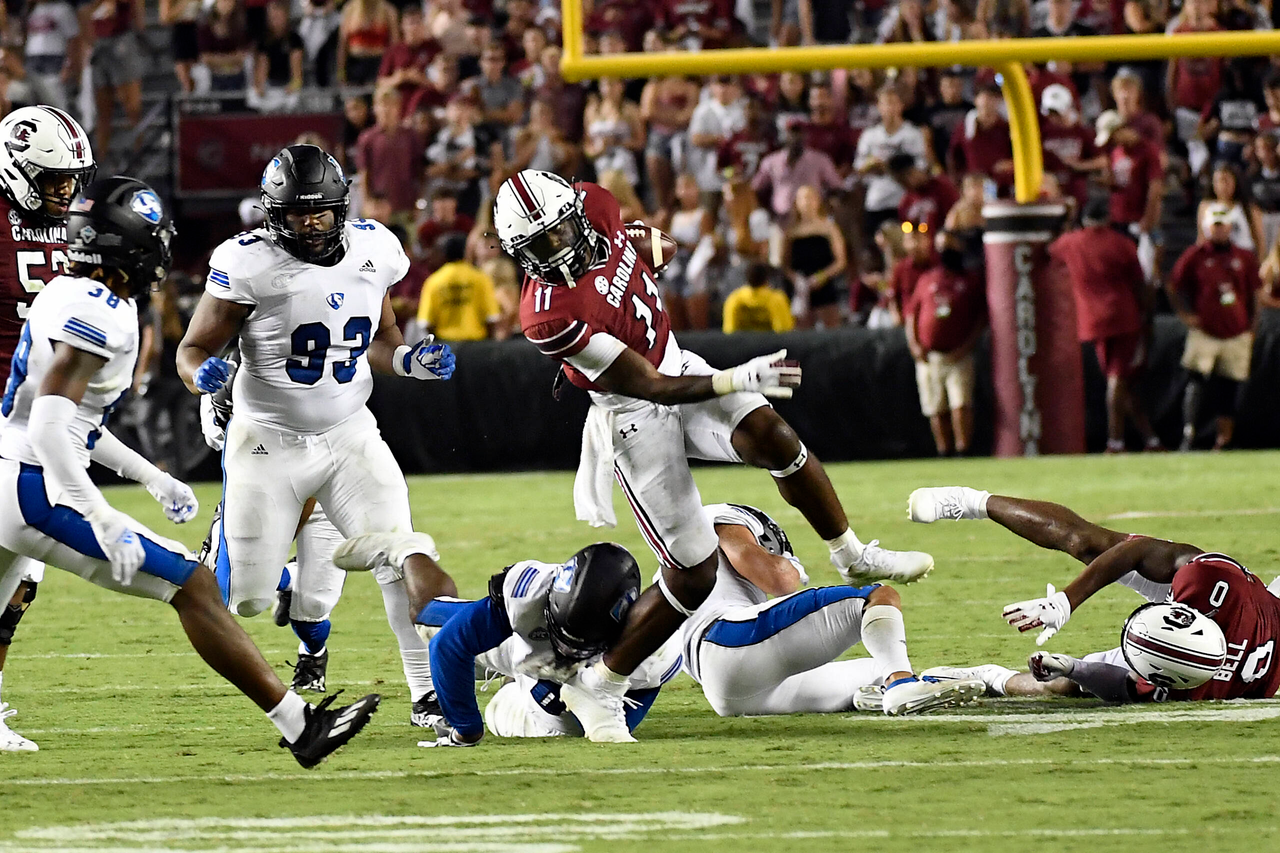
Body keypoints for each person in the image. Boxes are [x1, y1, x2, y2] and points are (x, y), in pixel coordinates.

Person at [479, 169, 933, 742]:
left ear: (576, 211)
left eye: (560, 232)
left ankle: (852, 555)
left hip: (675, 359)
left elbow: (649, 247)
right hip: (634, 413)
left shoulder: (598, 204)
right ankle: (603, 682)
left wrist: (648, 249)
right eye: (539, 246)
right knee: (694, 573)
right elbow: (650, 387)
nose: (557, 250)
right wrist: (735, 377)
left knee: (772, 435)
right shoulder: (548, 314)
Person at [0, 176, 380, 764]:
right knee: (192, 583)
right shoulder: (103, 313)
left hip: (11, 467)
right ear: (127, 248)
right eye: (152, 240)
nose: (160, 252)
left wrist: (152, 477)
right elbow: (50, 428)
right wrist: (100, 515)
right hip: (28, 486)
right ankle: (300, 726)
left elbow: (70, 425)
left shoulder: (63, 291)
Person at [175, 145, 459, 723]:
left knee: (399, 555)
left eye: (320, 212)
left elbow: (381, 337)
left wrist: (408, 361)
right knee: (246, 600)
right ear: (274, 214)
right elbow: (192, 348)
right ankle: (237, 544)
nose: (310, 224)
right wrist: (203, 376)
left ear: (340, 208)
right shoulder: (248, 262)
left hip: (350, 433)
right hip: (267, 440)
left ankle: (428, 693)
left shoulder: (375, 250)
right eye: (297, 214)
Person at [909, 486, 1280, 704]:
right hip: (1249, 608)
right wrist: (1065, 601)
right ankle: (970, 501)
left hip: (1216, 649)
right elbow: (1136, 551)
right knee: (1087, 543)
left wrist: (1074, 668)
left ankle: (990, 678)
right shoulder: (1213, 581)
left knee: (1062, 685)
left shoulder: (1178, 689)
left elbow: (1117, 683)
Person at [380, 541, 682, 745]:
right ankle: (408, 547)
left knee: (555, 727)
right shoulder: (529, 593)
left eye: (578, 644)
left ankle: (512, 685)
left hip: (561, 697)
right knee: (427, 618)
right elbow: (449, 645)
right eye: (563, 633)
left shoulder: (654, 652)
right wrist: (465, 729)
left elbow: (632, 704)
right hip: (523, 641)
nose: (567, 649)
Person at [0, 106, 95, 752]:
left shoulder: (77, 228)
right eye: (52, 179)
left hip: (41, 423)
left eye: (70, 180)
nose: (64, 191)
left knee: (21, 579)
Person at [1049, 198, 1161, 453]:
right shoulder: (1121, 244)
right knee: (1118, 381)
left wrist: (1064, 221)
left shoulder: (1071, 242)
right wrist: (1147, 316)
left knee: (1121, 383)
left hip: (1092, 321)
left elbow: (1048, 250)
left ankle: (1151, 440)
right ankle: (1116, 442)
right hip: (1124, 318)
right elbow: (1139, 285)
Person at [1166, 204, 1262, 451]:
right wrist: (1185, 315)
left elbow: (1255, 292)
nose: (1220, 230)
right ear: (1208, 228)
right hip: (1205, 331)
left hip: (1236, 331)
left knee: (1230, 387)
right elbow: (1173, 285)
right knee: (1195, 382)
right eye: (1216, 226)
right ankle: (1189, 434)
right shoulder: (1195, 255)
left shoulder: (1243, 256)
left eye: (1223, 225)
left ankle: (1224, 440)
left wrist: (1253, 325)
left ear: (1230, 227)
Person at [903, 240, 986, 456]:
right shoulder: (927, 279)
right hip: (930, 356)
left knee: (961, 404)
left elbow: (980, 319)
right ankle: (944, 451)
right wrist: (914, 344)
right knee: (935, 407)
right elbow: (912, 314)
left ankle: (963, 450)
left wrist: (966, 347)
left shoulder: (969, 281)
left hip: (957, 355)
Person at [782, 184, 847, 329]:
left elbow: (840, 261)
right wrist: (796, 279)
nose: (807, 202)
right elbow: (785, 264)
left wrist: (821, 277)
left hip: (824, 284)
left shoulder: (829, 227)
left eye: (810, 198)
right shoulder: (790, 231)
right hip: (800, 286)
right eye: (803, 199)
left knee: (830, 325)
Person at [415, 233, 500, 341]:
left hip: (445, 343)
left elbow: (426, 323)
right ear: (466, 251)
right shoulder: (480, 278)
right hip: (476, 344)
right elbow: (492, 318)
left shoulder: (434, 281)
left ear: (443, 253)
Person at [1195, 162, 1264, 254]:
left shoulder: (1249, 208)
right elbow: (1201, 238)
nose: (1223, 186)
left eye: (1226, 181)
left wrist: (1261, 260)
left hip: (1243, 257)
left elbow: (1260, 241)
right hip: (1214, 257)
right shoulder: (1205, 206)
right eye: (1218, 181)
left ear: (1235, 182)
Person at [722, 263, 793, 334]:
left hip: (742, 341)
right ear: (766, 279)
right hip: (770, 341)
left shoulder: (734, 299)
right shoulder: (776, 299)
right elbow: (784, 331)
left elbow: (729, 331)